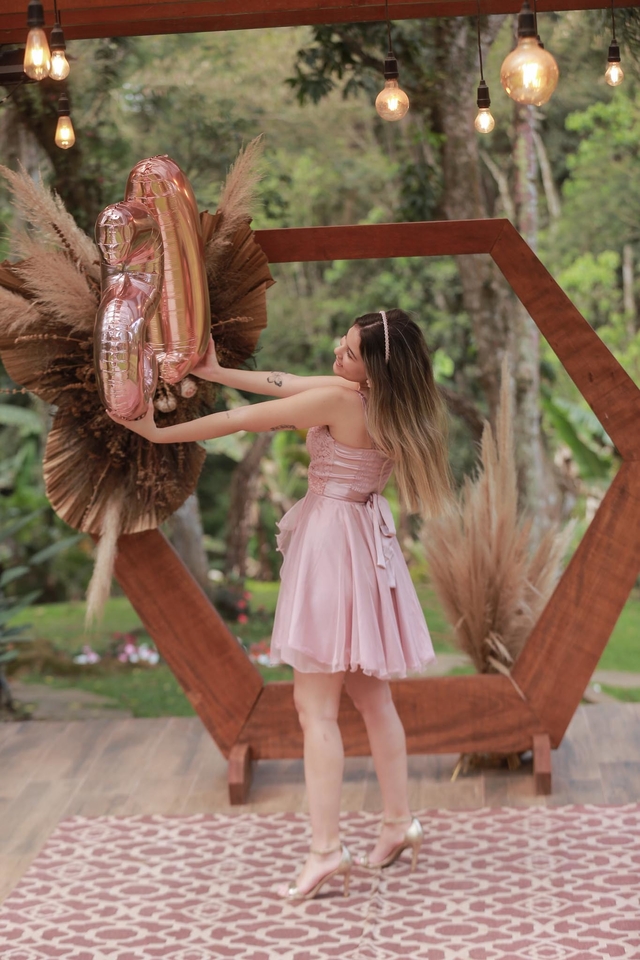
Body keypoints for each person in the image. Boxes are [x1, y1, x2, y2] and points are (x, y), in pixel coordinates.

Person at [110, 308, 452, 901]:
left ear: (370, 369)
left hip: (334, 550)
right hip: (365, 541)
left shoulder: (344, 403)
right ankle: (399, 823)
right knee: (372, 698)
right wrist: (216, 370)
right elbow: (282, 383)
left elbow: (254, 419)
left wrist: (157, 433)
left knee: (314, 709)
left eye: (347, 352)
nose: (336, 357)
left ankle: (326, 850)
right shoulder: (381, 401)